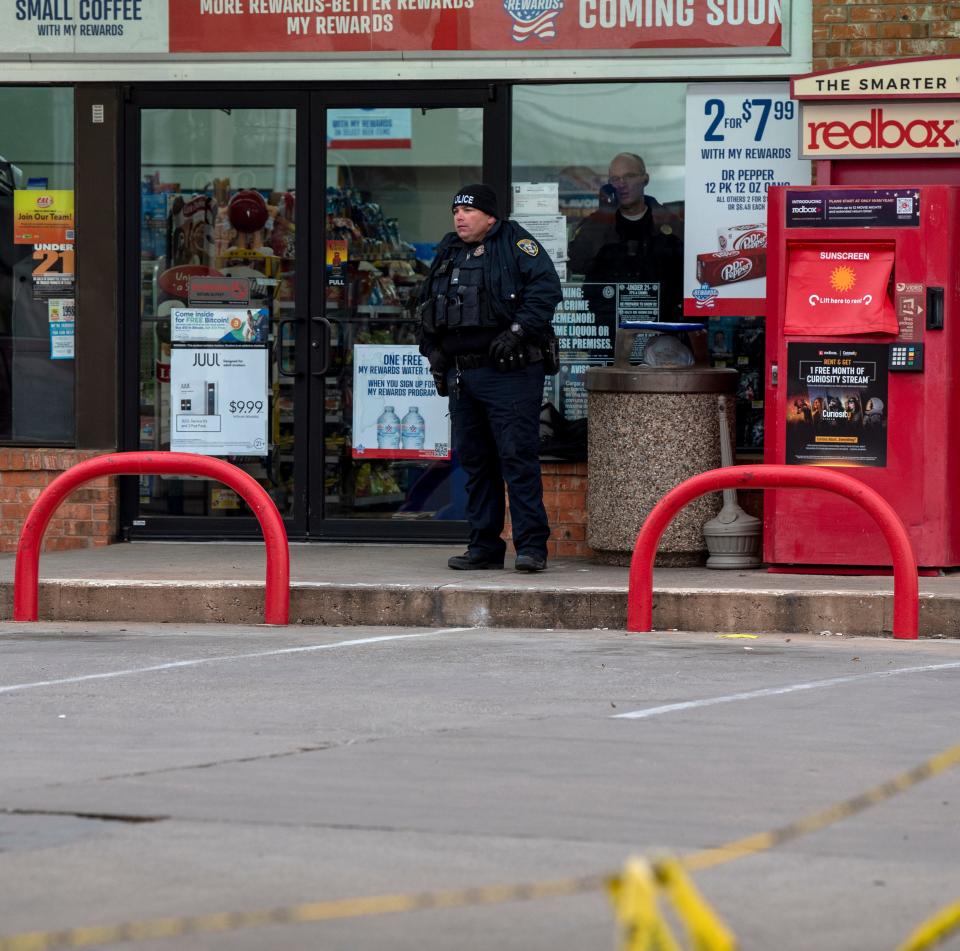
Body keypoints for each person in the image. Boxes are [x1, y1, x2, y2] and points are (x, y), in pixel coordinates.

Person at [417, 184, 562, 572]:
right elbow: (426, 305)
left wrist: (516, 332)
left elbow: (546, 290)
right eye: (456, 211)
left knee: (517, 459)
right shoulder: (449, 249)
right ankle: (483, 546)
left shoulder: (515, 242)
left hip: (510, 371)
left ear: (490, 216)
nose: (460, 217)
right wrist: (434, 353)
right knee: (477, 464)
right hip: (463, 372)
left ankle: (531, 548)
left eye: (468, 211)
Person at [567, 152, 683, 278]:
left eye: (629, 176)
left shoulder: (669, 222)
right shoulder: (595, 224)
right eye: (615, 179)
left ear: (646, 179)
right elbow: (577, 264)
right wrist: (603, 217)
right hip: (607, 296)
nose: (622, 184)